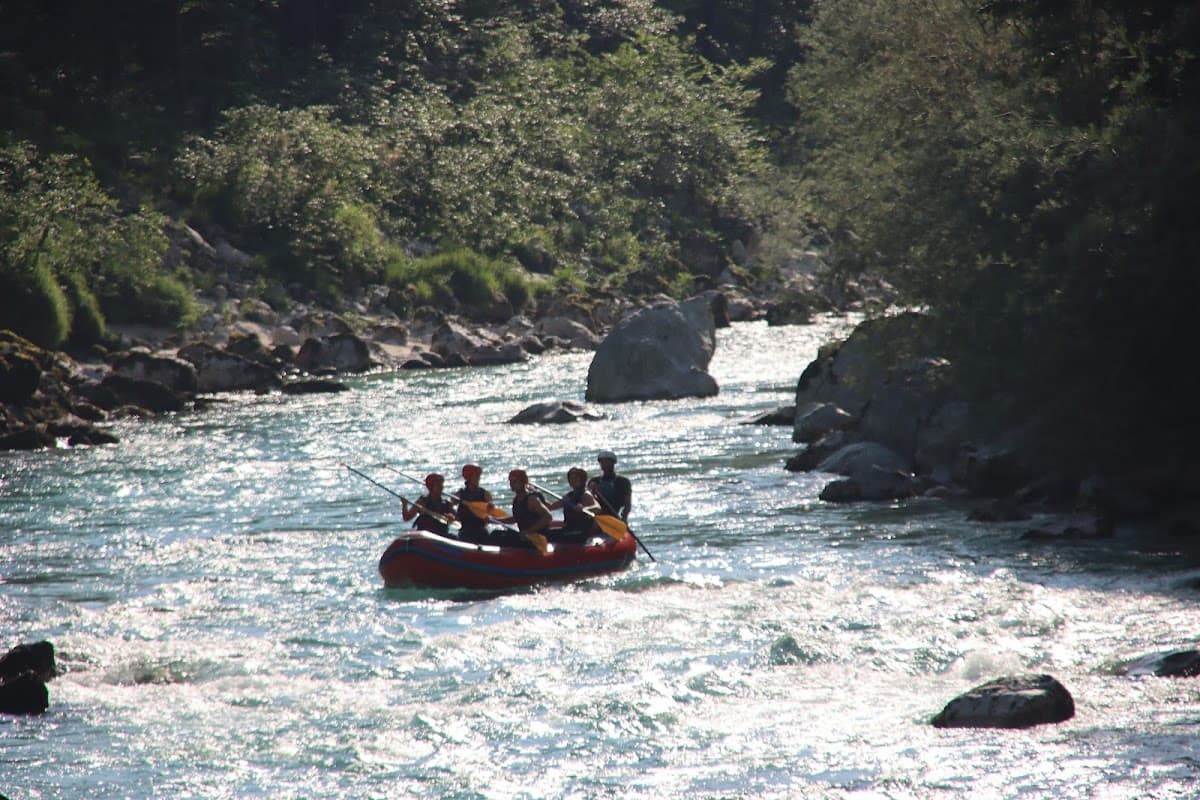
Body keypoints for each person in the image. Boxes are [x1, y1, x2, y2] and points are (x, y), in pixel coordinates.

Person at [496, 468, 553, 546]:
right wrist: (495, 520)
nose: (512, 484)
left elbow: (548, 517)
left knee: (503, 538)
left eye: (515, 481)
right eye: (511, 481)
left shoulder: (531, 500)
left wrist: (528, 531)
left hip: (538, 538)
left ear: (523, 482)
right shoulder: (516, 500)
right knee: (496, 534)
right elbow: (515, 519)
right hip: (525, 537)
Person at [548, 467, 602, 541]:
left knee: (552, 535)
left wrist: (584, 509)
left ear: (582, 480)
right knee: (547, 533)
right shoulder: (569, 496)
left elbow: (598, 508)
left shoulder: (585, 494)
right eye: (571, 478)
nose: (573, 480)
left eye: (576, 478)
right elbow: (550, 507)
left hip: (581, 531)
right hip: (570, 529)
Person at [455, 463, 494, 544]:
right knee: (465, 535)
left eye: (478, 476)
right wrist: (453, 516)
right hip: (465, 529)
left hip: (480, 528)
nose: (478, 479)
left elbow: (491, 506)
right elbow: (450, 505)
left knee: (484, 535)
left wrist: (490, 507)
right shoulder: (460, 493)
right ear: (468, 478)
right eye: (475, 476)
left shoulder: (484, 493)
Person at [594, 450, 631, 521]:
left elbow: (627, 504)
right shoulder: (595, 481)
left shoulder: (622, 481)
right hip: (598, 517)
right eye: (602, 462)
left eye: (607, 462)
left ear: (613, 463)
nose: (604, 464)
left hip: (615, 515)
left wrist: (624, 518)